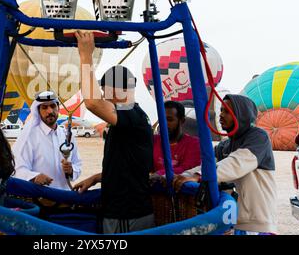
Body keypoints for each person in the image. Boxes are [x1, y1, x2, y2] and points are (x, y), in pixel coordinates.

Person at [74, 31, 155, 234]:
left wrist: (85, 55)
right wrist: (96, 178)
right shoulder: (128, 121)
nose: (103, 96)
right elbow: (126, 167)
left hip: (127, 215)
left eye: (104, 91)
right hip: (119, 211)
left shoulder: (133, 117)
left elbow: (92, 103)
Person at [173, 94, 277, 235]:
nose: (221, 115)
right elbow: (207, 166)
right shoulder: (225, 145)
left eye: (227, 111)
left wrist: (199, 176)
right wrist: (183, 176)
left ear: (242, 114)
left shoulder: (259, 137)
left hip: (256, 223)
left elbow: (237, 162)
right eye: (221, 110)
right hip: (235, 221)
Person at [13, 90, 82, 190]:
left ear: (58, 108)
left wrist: (71, 170)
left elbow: (78, 165)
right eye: (44, 107)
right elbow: (18, 170)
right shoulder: (30, 137)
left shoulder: (67, 135)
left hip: (65, 197)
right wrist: (34, 177)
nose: (50, 111)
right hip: (39, 198)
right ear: (38, 111)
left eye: (53, 106)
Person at [153, 100, 201, 176]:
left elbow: (188, 168)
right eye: (162, 119)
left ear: (182, 121)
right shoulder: (154, 140)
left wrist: (160, 174)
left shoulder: (194, 144)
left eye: (170, 120)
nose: (164, 124)